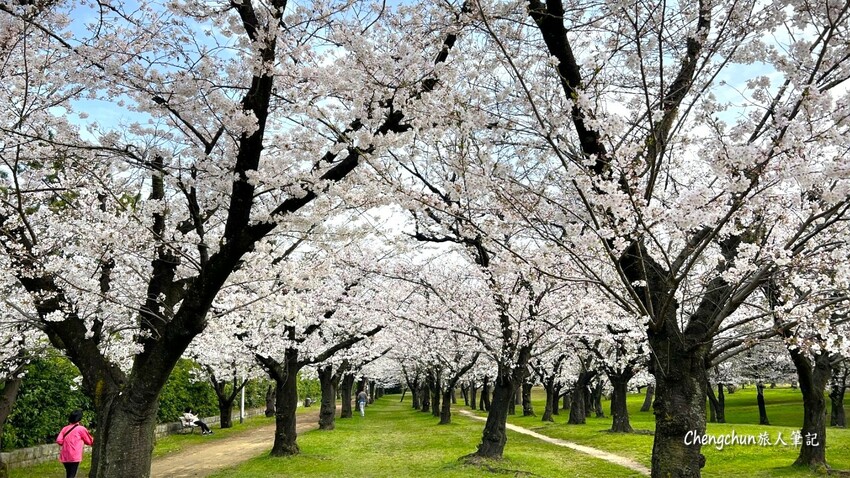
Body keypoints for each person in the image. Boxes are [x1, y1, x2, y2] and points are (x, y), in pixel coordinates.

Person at [56, 409, 94, 478]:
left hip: (65, 455)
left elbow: (59, 440)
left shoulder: (64, 428)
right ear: (79, 418)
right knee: (72, 475)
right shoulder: (81, 429)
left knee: (69, 473)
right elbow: (89, 441)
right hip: (74, 456)